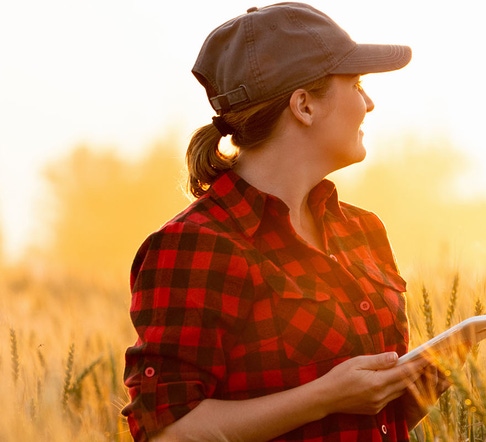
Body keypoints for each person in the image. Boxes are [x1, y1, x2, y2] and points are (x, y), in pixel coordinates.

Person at [122, 3, 450, 441]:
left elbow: (374, 418)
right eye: (355, 84)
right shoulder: (196, 245)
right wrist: (324, 397)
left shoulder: (363, 231)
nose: (369, 104)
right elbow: (168, 433)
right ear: (304, 106)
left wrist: (419, 377)